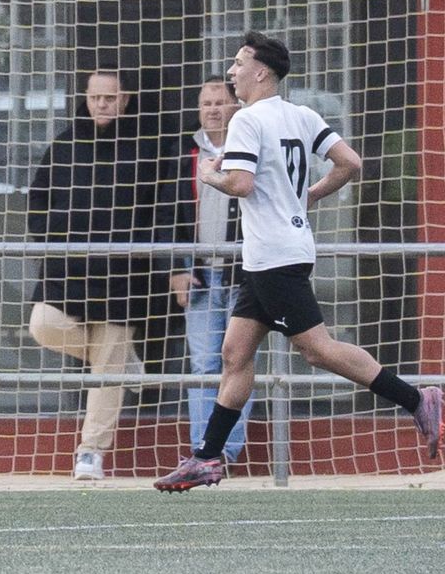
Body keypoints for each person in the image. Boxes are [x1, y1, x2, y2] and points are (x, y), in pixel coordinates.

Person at [156, 32, 443, 490]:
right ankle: (206, 458)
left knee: (316, 349)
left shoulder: (247, 120)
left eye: (238, 63)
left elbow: (241, 184)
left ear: (261, 72)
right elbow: (350, 162)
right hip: (274, 254)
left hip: (273, 256)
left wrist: (209, 174)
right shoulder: (301, 115)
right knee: (235, 354)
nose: (231, 72)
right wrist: (306, 196)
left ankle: (417, 399)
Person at [26, 65, 175, 481]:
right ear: (86, 100)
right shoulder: (65, 145)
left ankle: (90, 451)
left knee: (108, 363)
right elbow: (38, 202)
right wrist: (53, 237)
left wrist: (145, 253)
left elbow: (162, 209)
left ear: (124, 100)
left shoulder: (148, 147)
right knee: (43, 325)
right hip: (67, 273)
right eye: (95, 98)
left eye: (110, 98)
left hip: (122, 277)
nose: (102, 105)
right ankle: (125, 365)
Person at [170, 76, 252, 466]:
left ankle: (226, 453)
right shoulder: (184, 152)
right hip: (199, 271)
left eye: (220, 102)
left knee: (238, 360)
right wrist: (175, 268)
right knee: (203, 362)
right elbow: (167, 213)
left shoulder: (249, 145)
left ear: (236, 106)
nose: (213, 109)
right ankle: (202, 450)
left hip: (244, 271)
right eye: (206, 103)